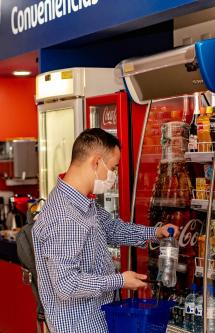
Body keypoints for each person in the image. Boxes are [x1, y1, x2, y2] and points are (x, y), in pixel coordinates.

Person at [33, 128, 179, 333]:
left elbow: (111, 228)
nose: (115, 175)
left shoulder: (80, 201)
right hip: (80, 326)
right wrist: (120, 280)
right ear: (96, 162)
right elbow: (66, 285)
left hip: (96, 320)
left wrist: (155, 233)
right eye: (113, 167)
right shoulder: (65, 217)